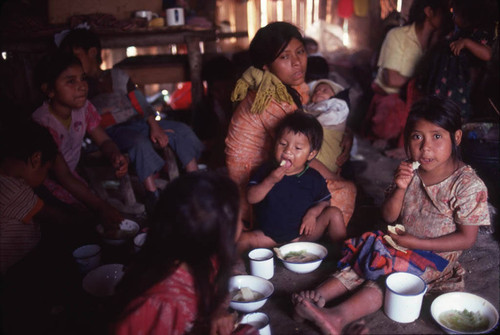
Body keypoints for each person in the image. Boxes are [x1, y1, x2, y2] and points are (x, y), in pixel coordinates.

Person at [291, 96, 490, 334]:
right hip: (399, 243)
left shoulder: (467, 184)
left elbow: (467, 239)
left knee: (392, 277)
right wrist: (401, 188)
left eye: (437, 136)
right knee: (366, 256)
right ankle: (315, 298)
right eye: (417, 136)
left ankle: (338, 316)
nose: (425, 147)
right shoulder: (409, 170)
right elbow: (388, 215)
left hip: (435, 257)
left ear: (456, 137)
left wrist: (416, 243)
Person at [225, 21, 356, 230]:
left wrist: (346, 135)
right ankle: (300, 237)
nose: (297, 63)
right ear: (266, 66)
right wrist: (334, 178)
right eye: (285, 57)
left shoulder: (283, 87)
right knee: (345, 189)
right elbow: (295, 147)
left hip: (273, 170)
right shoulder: (270, 97)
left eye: (300, 52)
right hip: (256, 189)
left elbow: (308, 120)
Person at [59, 28, 204, 209]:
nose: (72, 62)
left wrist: (154, 125)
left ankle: (197, 185)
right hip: (111, 132)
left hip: (139, 123)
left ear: (93, 53)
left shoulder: (117, 76)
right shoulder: (79, 87)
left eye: (76, 55)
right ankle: (153, 195)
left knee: (181, 130)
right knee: (138, 142)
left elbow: (141, 103)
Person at [111, 172, 257, 335]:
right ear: (216, 235)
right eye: (239, 219)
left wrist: (216, 311)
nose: (243, 227)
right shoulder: (158, 306)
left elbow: (215, 291)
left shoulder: (201, 256)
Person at [32, 51, 126, 227]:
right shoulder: (43, 123)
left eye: (82, 78)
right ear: (49, 90)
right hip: (44, 184)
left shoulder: (84, 108)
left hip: (70, 176)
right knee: (82, 219)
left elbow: (104, 141)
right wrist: (101, 206)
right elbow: (63, 175)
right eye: (70, 81)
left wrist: (115, 154)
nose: (82, 86)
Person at [237, 112, 346, 254]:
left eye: (298, 148)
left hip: (303, 236)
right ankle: (234, 269)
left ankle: (345, 253)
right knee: (243, 240)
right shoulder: (265, 171)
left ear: (311, 154)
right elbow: (251, 197)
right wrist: (270, 181)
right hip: (269, 237)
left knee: (335, 214)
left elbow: (325, 202)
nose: (288, 151)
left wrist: (312, 214)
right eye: (282, 144)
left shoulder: (313, 177)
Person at [362, 0, 450, 153]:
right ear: (429, 12)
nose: (449, 17)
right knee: (395, 115)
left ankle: (405, 142)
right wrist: (419, 84)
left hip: (417, 98)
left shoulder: (440, 42)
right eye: (444, 12)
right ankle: (393, 139)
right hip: (392, 98)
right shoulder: (398, 36)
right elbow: (392, 79)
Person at [416, 0, 495, 121]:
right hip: (445, 83)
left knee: (455, 112)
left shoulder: (478, 34)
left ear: (467, 15)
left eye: (455, 14)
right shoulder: (455, 32)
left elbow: (488, 54)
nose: (452, 17)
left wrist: (467, 43)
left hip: (462, 86)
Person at [305, 79, 349, 174]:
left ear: (334, 94)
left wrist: (309, 119)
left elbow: (331, 117)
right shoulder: (311, 106)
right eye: (316, 91)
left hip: (328, 150)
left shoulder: (337, 103)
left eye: (325, 90)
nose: (319, 92)